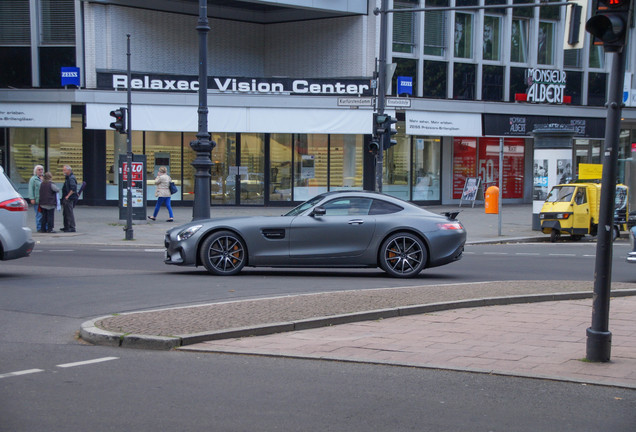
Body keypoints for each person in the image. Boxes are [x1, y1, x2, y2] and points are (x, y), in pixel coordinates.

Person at [61, 165, 78, 232]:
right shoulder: (68, 178)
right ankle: (66, 226)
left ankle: (71, 227)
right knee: (65, 213)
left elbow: (73, 188)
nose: (63, 171)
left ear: (69, 170)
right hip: (66, 197)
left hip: (69, 198)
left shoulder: (71, 178)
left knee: (69, 212)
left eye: (64, 170)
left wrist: (68, 196)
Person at [28, 165, 44, 232]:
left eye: (41, 169)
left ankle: (45, 227)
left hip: (45, 199)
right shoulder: (33, 179)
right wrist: (32, 198)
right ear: (35, 171)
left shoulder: (44, 178)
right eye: (39, 170)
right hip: (37, 199)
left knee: (45, 214)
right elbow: (31, 189)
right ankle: (39, 227)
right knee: (39, 214)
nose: (40, 171)